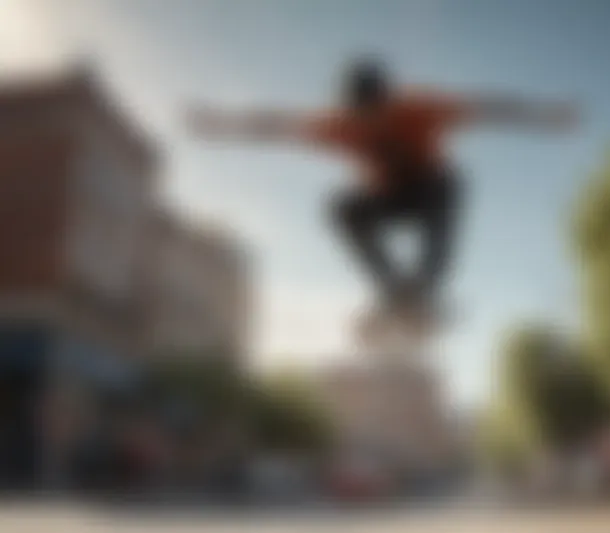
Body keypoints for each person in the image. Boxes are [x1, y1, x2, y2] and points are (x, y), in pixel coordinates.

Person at [187, 59, 580, 335]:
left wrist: (543, 115)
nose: (372, 122)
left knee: (451, 185)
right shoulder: (338, 125)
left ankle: (425, 287)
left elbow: (488, 108)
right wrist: (221, 123)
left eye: (379, 112)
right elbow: (276, 126)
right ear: (352, 108)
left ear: (388, 99)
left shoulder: (420, 108)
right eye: (364, 115)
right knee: (340, 207)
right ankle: (391, 288)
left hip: (431, 190)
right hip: (388, 199)